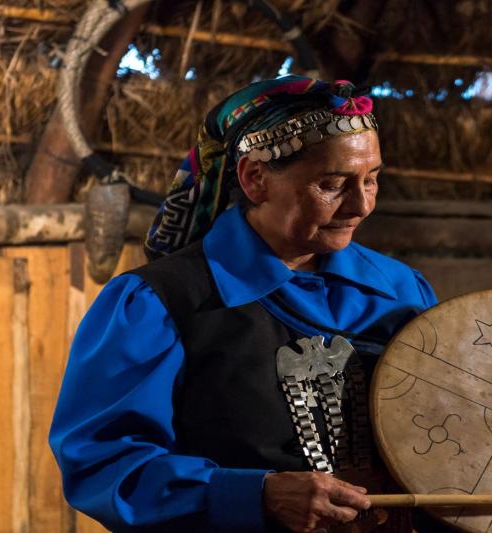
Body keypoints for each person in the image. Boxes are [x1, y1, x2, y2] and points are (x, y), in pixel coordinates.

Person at [49, 76, 438, 533]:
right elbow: (104, 463)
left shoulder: (402, 291)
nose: (361, 205)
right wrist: (255, 494)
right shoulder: (159, 304)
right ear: (255, 178)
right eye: (333, 184)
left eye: (371, 180)